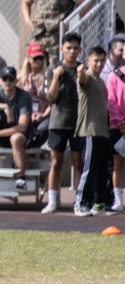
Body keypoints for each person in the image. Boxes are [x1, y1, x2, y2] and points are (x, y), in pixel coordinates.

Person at [41, 33, 84, 214]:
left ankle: (79, 201)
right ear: (62, 49)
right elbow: (51, 97)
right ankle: (52, 201)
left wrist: (82, 76)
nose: (72, 52)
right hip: (58, 121)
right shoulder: (53, 69)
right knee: (56, 162)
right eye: (68, 48)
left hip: (79, 122)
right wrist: (55, 77)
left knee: (77, 162)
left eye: (75, 48)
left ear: (79, 50)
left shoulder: (83, 69)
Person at [72, 47, 111, 216]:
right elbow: (82, 79)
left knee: (101, 170)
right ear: (88, 60)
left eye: (102, 60)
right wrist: (80, 71)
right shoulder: (87, 78)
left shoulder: (101, 81)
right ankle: (80, 203)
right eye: (96, 60)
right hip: (90, 131)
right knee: (88, 169)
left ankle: (98, 203)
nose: (99, 64)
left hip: (103, 132)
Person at [17, 42, 51, 149]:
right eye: (35, 58)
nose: (38, 61)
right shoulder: (20, 78)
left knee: (43, 128)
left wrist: (43, 115)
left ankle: (30, 150)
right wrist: (28, 114)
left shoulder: (48, 77)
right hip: (26, 114)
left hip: (44, 113)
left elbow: (53, 100)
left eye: (41, 58)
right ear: (28, 58)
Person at [105, 43, 125, 213]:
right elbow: (110, 100)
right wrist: (120, 121)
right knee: (118, 162)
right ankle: (118, 200)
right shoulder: (114, 76)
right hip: (117, 126)